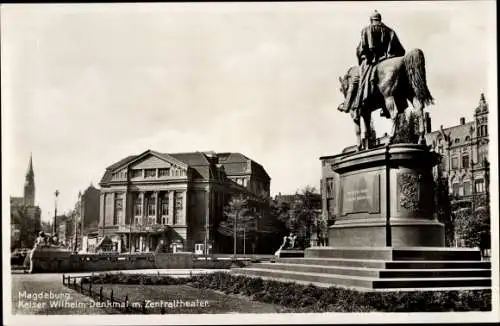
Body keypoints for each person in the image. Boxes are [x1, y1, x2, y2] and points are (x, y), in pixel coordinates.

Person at [340, 10, 405, 118]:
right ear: (380, 19)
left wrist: (362, 56)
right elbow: (401, 51)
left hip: (371, 62)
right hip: (388, 59)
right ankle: (389, 107)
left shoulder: (366, 30)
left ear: (371, 20)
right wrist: (389, 55)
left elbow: (361, 49)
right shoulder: (391, 31)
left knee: (355, 81)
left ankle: (348, 105)